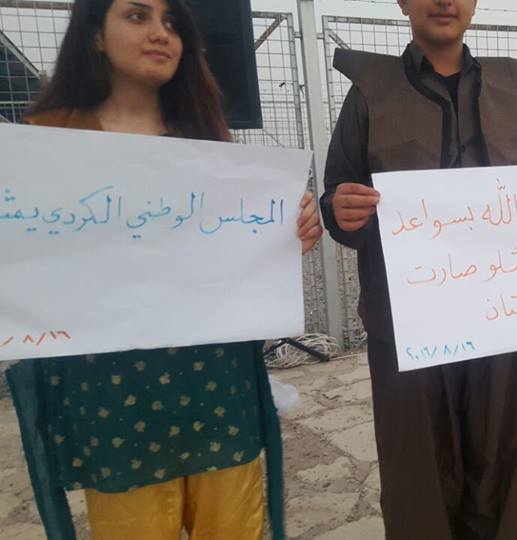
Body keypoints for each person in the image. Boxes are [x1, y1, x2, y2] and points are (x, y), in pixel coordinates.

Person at [319, 2, 517, 538]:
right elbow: (339, 195)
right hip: (408, 324)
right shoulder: (369, 95)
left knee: (499, 453)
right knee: (416, 464)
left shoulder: (506, 96)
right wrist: (339, 208)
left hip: (503, 317)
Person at [5, 1, 322, 539]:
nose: (160, 33)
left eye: (172, 23)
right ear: (95, 34)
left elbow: (237, 259)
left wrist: (289, 233)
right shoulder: (41, 146)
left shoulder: (212, 147)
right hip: (112, 399)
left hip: (218, 388)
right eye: (137, 16)